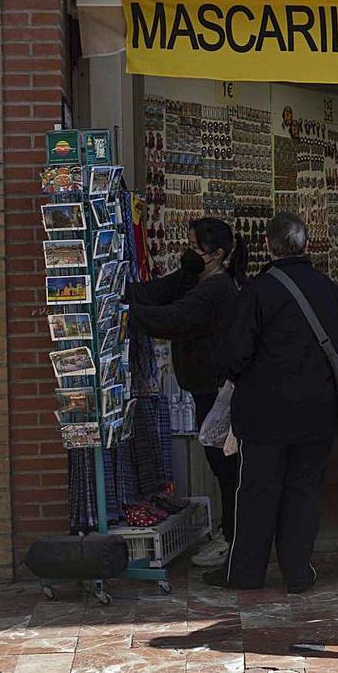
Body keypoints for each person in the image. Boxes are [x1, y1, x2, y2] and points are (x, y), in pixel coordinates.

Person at [204, 212, 338, 593]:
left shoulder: (257, 291)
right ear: (305, 244)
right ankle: (298, 572)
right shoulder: (329, 288)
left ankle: (246, 572)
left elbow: (234, 353)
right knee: (305, 491)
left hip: (265, 413)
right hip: (318, 409)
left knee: (256, 491)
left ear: (269, 245)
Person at [124, 217, 246, 568]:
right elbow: (157, 293)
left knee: (224, 466)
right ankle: (231, 535)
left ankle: (233, 538)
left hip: (217, 389)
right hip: (202, 387)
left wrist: (125, 315)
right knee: (222, 464)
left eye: (195, 248)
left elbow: (173, 318)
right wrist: (114, 290)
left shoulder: (218, 289)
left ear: (217, 254)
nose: (188, 253)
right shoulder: (195, 277)